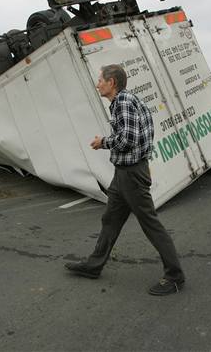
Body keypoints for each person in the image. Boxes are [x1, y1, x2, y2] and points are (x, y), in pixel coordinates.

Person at [65, 64, 185, 296]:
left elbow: (129, 139)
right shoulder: (130, 100)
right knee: (110, 219)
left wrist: (104, 142)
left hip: (131, 174)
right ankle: (94, 265)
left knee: (150, 224)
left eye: (100, 80)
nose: (97, 84)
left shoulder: (122, 102)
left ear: (112, 82)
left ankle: (175, 275)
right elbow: (143, 133)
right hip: (125, 173)